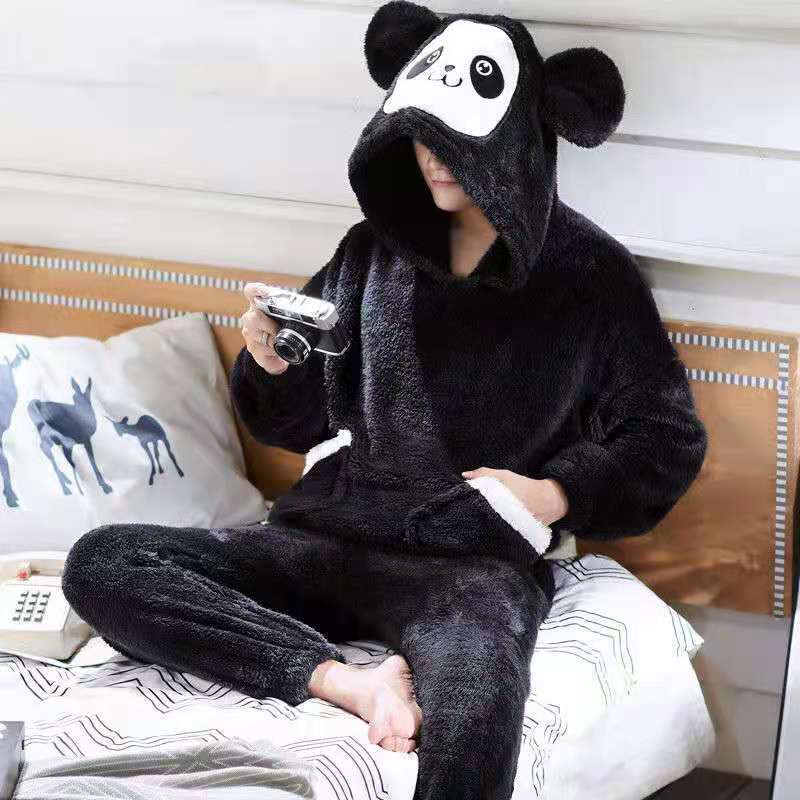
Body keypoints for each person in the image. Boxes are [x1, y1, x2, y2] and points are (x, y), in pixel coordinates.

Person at [62, 4, 708, 799]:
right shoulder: (372, 250)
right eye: (421, 135)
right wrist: (272, 362)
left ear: (517, 139)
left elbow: (665, 438)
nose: (435, 158)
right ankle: (344, 681)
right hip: (326, 537)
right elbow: (289, 421)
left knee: (478, 706)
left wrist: (550, 494)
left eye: (459, 140)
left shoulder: (592, 277)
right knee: (103, 562)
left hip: (467, 569)